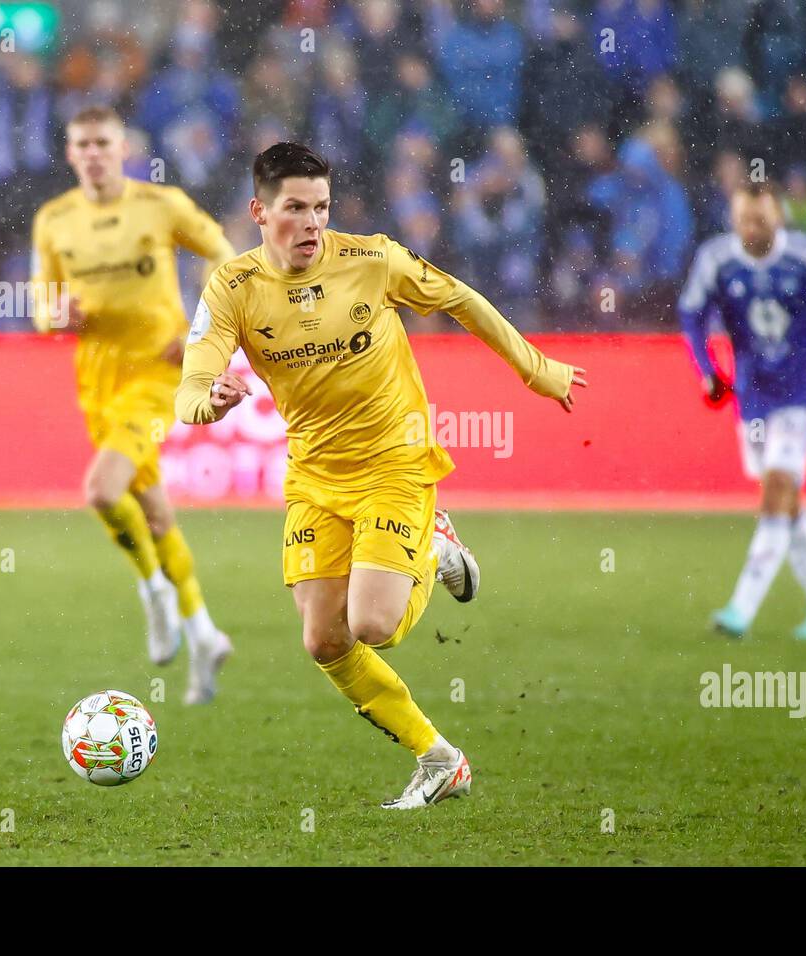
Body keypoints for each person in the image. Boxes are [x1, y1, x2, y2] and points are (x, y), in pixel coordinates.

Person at [176, 143, 586, 808]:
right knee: (323, 639)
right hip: (315, 474)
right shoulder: (232, 288)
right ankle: (440, 759)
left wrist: (536, 368)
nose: (312, 222)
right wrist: (207, 402)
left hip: (396, 459)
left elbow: (460, 299)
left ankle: (431, 545)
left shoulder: (372, 260)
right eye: (295, 208)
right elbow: (192, 380)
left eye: (322, 208)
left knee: (372, 626)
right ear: (258, 211)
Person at [30, 106, 236, 703]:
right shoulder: (54, 220)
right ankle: (203, 635)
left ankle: (154, 592)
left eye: (103, 142)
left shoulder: (160, 205)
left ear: (122, 148)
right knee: (155, 514)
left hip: (157, 371)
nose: (93, 153)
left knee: (100, 490)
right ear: (70, 153)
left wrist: (202, 327)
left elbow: (224, 256)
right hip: (96, 377)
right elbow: (43, 301)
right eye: (82, 144)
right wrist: (54, 318)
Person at [679, 182, 806, 640]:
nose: (750, 228)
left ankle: (741, 609)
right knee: (785, 497)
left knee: (778, 487)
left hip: (801, 394)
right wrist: (707, 370)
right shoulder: (717, 259)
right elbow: (690, 313)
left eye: (759, 219)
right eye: (743, 219)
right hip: (753, 397)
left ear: (778, 217)